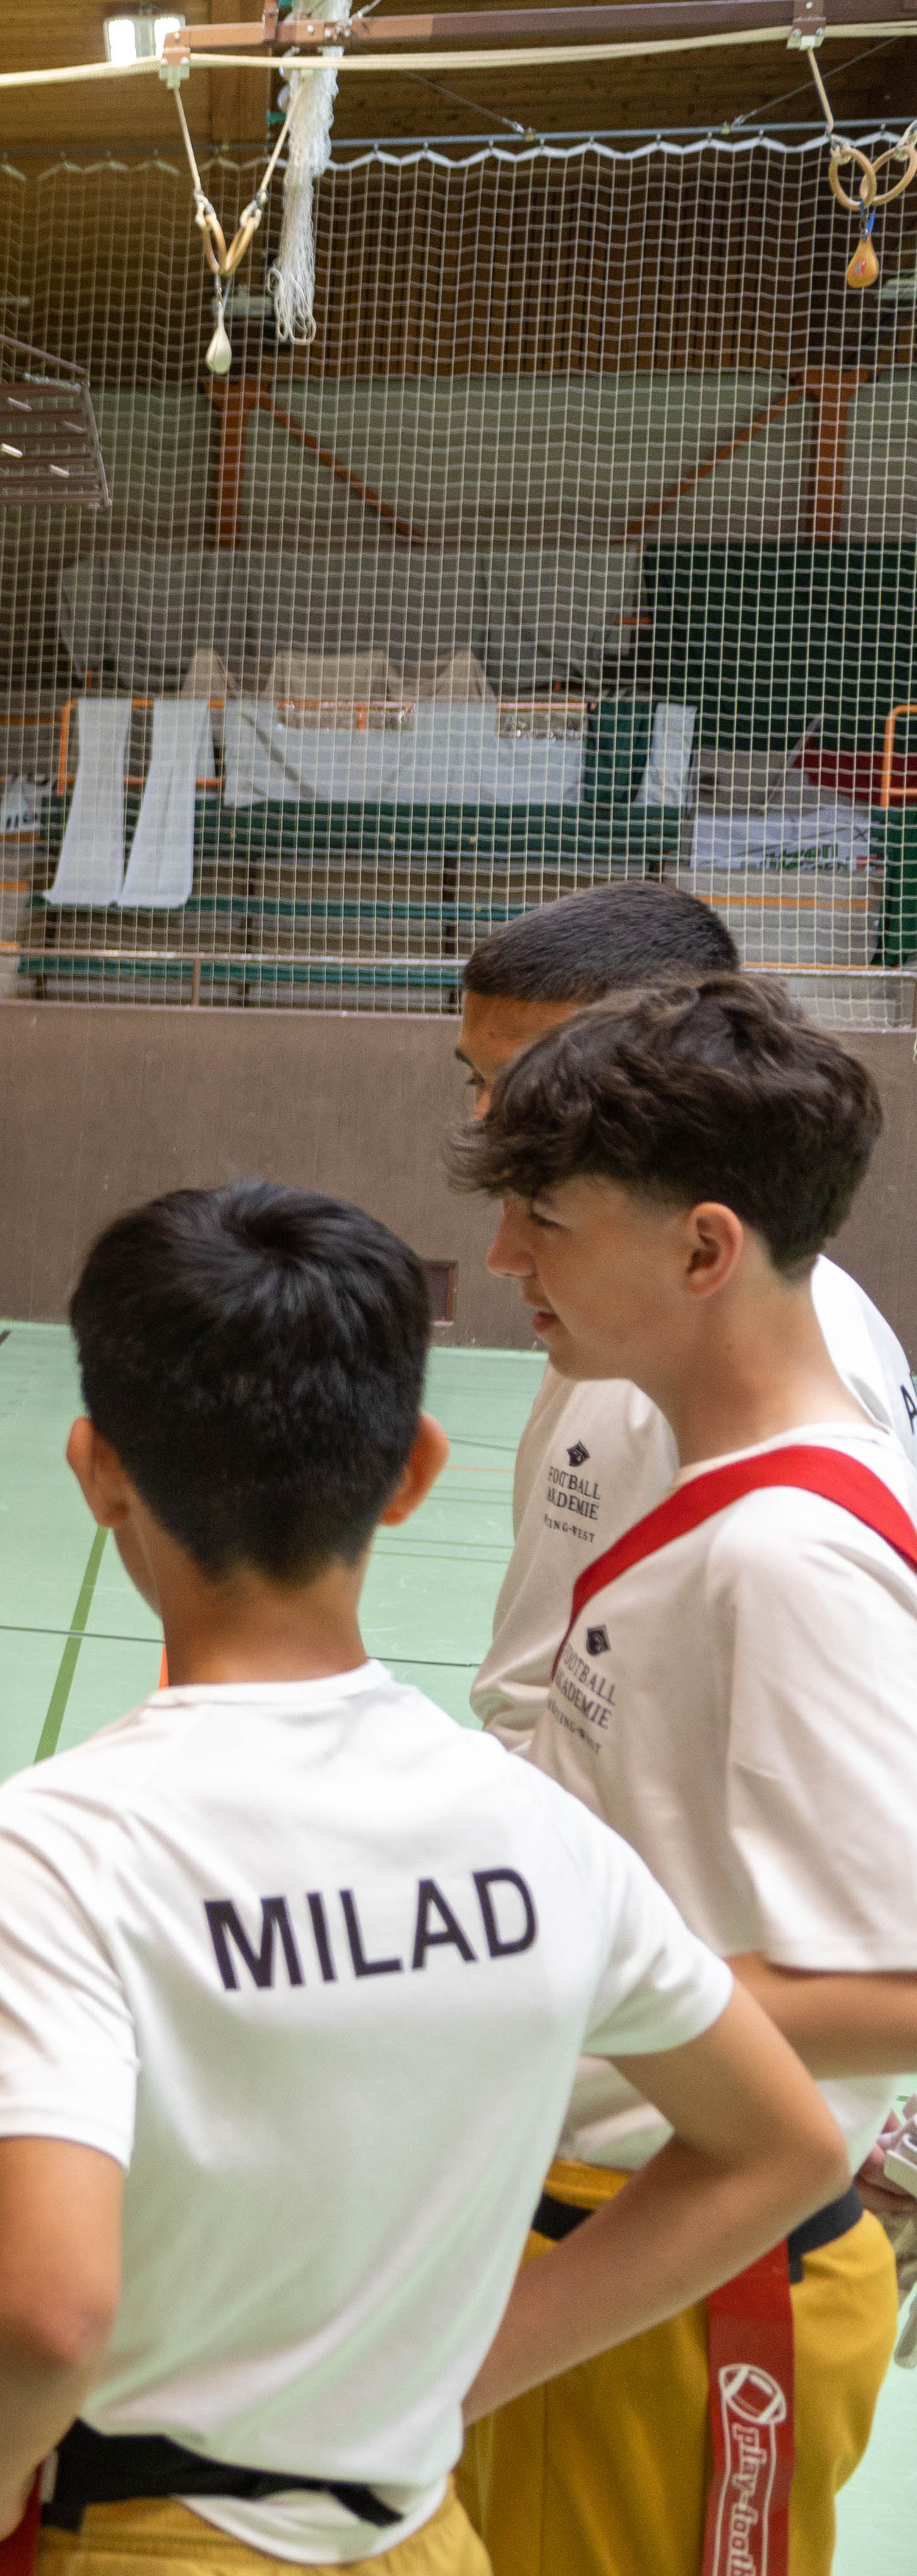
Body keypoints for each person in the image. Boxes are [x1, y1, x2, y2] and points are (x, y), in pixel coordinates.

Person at [0, 1180, 846, 2573]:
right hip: (422, 2533)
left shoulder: (62, 1839)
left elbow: (47, 2310)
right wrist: (461, 2375)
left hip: (156, 2534)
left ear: (97, 1466)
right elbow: (788, 2145)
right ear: (414, 1467)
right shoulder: (537, 1830)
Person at [448, 975, 917, 2572]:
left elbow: (905, 1982)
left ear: (703, 1249)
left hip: (705, 2277)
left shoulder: (786, 1557)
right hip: (610, 2230)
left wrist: (536, 1979)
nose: (507, 1259)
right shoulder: (709, 1496)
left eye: (547, 1220)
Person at [451, 880, 910, 1750]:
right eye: (478, 1081)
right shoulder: (787, 1303)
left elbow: (536, 1705)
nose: (488, 1119)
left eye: (526, 1079)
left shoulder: (657, 1386)